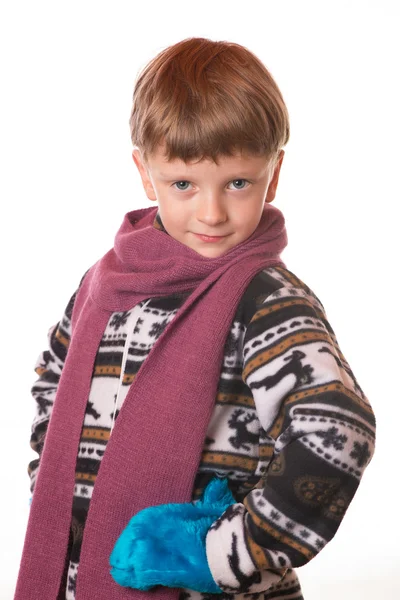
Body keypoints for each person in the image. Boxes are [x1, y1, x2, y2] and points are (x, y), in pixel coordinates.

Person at [15, 37, 376, 600]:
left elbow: (337, 428)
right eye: (183, 184)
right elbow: (52, 386)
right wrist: (58, 491)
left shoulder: (265, 302)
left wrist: (226, 555)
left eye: (238, 183)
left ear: (273, 174)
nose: (211, 212)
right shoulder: (104, 285)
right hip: (86, 578)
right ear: (145, 173)